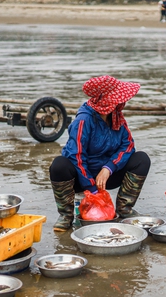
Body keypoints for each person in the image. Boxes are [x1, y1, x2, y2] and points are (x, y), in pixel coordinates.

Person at [49, 75, 150, 231]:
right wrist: (91, 188)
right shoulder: (84, 120)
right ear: (106, 100)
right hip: (82, 177)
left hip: (106, 176)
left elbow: (128, 145)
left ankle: (124, 209)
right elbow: (76, 156)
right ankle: (65, 215)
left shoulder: (117, 117)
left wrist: (108, 168)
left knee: (142, 159)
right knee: (58, 165)